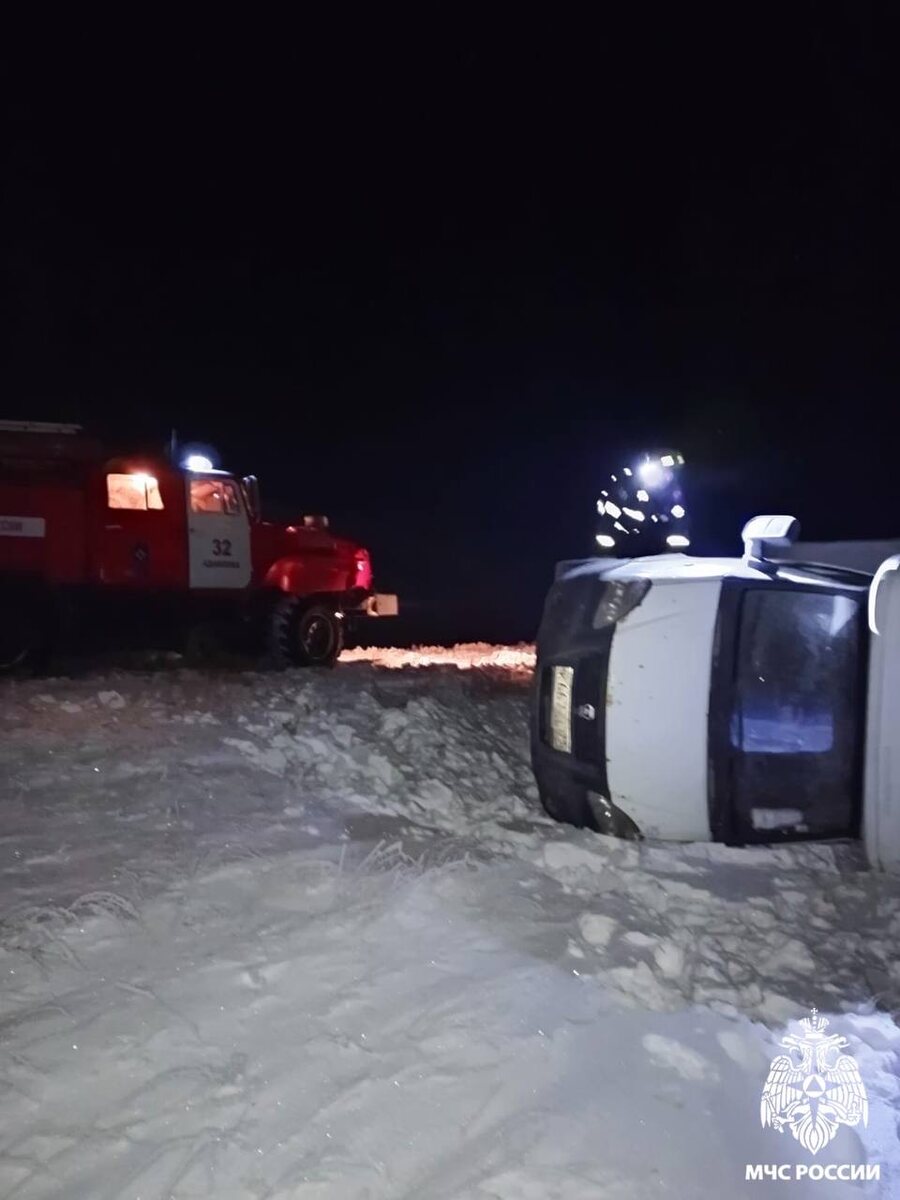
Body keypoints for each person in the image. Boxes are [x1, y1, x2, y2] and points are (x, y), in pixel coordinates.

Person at [594, 449, 690, 556]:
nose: (666, 474)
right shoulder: (629, 485)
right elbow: (613, 505)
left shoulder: (674, 493)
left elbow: (678, 518)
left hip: (661, 545)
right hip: (623, 539)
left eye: (669, 471)